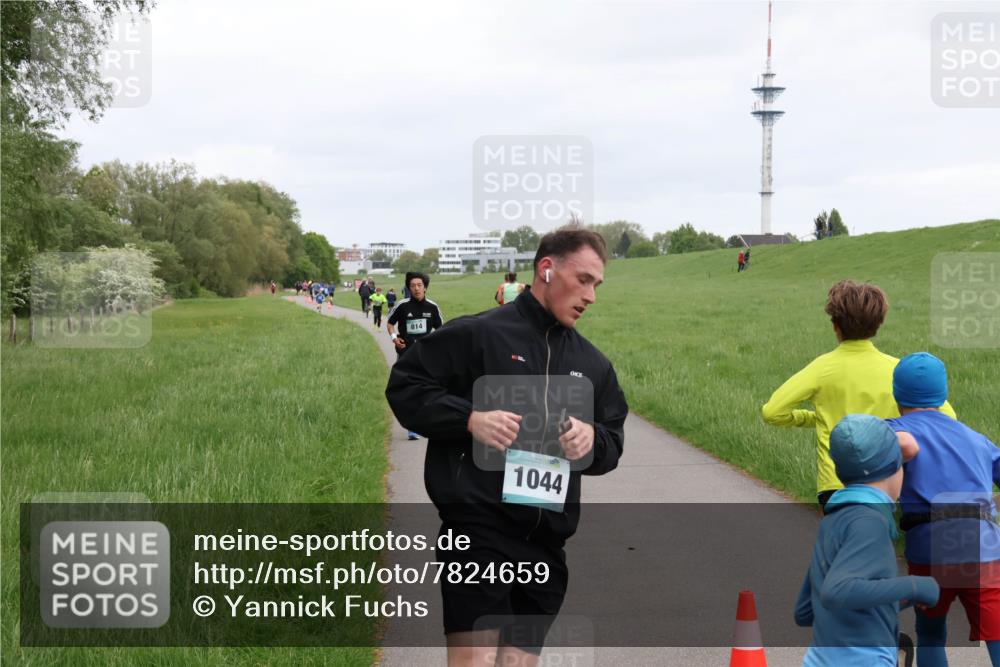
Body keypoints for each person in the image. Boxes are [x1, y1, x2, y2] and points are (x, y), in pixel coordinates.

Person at [385, 226, 628, 665]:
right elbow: (406, 387)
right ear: (547, 269)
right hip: (478, 533)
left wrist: (594, 440)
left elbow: (613, 439)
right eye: (584, 279)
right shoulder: (480, 335)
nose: (591, 296)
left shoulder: (592, 365)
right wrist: (468, 419)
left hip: (545, 546)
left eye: (597, 285)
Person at [761, 280, 956, 508]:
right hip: (892, 484)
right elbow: (947, 417)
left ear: (836, 326)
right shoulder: (898, 370)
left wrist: (815, 418)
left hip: (837, 485)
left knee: (843, 541)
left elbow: (772, 412)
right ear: (878, 324)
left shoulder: (823, 368)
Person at [795, 414, 940, 666]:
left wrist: (894, 601)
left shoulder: (835, 519)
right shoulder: (869, 523)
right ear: (895, 467)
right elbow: (837, 592)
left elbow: (807, 610)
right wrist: (916, 586)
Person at [886, 353, 1000, 666]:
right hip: (984, 548)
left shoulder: (893, 430)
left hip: (930, 549)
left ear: (896, 396)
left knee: (932, 633)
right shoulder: (976, 439)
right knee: (997, 634)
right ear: (944, 395)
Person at [386, 271, 444, 441]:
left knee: (424, 391)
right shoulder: (402, 305)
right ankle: (412, 427)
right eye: (412, 286)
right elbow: (390, 324)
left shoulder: (432, 307)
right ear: (408, 288)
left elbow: (442, 331)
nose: (416, 288)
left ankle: (423, 423)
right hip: (405, 355)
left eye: (419, 285)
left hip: (425, 357)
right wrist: (394, 338)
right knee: (407, 391)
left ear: (425, 287)